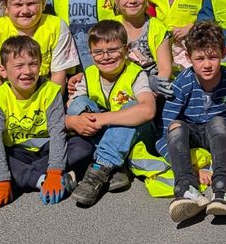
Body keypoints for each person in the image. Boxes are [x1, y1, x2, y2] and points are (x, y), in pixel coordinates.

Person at [0, 35, 90, 208]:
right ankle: (40, 180)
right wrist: (1, 178)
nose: (26, 71)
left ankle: (24, 177)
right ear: (3, 70)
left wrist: (55, 171)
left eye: (32, 64)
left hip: (47, 150)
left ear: (40, 67)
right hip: (17, 151)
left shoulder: (50, 91)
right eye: (18, 66)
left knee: (82, 146)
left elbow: (58, 133)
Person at [65, 20, 158, 207]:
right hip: (107, 132)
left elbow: (148, 110)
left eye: (113, 50)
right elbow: (73, 107)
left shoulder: (136, 73)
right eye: (98, 52)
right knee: (78, 105)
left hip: (137, 134)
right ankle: (118, 166)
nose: (105, 57)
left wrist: (101, 118)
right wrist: (71, 121)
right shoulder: (89, 74)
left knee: (132, 106)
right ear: (90, 53)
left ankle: (99, 169)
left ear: (126, 49)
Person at [161, 22, 226, 223]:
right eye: (199, 58)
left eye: (213, 57)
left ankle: (222, 188)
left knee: (218, 122)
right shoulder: (183, 83)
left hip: (217, 134)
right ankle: (186, 188)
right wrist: (192, 166)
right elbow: (165, 126)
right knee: (175, 127)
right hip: (190, 132)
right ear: (189, 58)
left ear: (224, 53)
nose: (206, 64)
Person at [0, 0, 77, 137]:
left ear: (42, 3)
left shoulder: (56, 25)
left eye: (32, 3)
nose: (25, 10)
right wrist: (12, 112)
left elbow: (58, 75)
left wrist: (46, 111)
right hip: (7, 98)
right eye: (18, 5)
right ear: (6, 7)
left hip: (44, 95)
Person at [110, 0, 174, 96]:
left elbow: (165, 70)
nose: (132, 0)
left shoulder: (157, 28)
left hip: (152, 92)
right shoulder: (110, 27)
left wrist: (148, 95)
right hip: (119, 92)